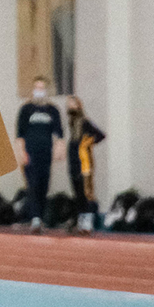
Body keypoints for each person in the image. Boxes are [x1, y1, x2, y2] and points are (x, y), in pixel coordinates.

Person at [12, 77, 62, 231]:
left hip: (45, 152)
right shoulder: (26, 109)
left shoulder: (52, 110)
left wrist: (59, 150)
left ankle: (40, 216)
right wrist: (22, 153)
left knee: (43, 185)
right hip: (30, 152)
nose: (39, 91)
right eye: (36, 88)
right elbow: (19, 134)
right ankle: (34, 218)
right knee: (32, 184)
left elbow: (59, 134)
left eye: (42, 88)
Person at [64, 95, 105, 231]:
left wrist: (87, 143)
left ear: (79, 106)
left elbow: (100, 135)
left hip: (84, 162)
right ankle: (80, 219)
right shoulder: (72, 122)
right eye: (68, 105)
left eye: (72, 104)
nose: (70, 107)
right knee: (77, 192)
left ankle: (88, 220)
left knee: (85, 191)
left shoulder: (85, 121)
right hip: (73, 160)